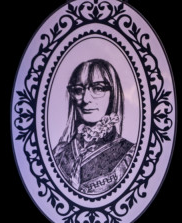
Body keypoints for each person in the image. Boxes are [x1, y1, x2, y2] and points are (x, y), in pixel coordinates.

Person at [52, 58, 136, 196]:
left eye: (98, 88)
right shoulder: (59, 152)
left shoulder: (129, 154)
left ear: (113, 94)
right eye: (78, 90)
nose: (86, 99)